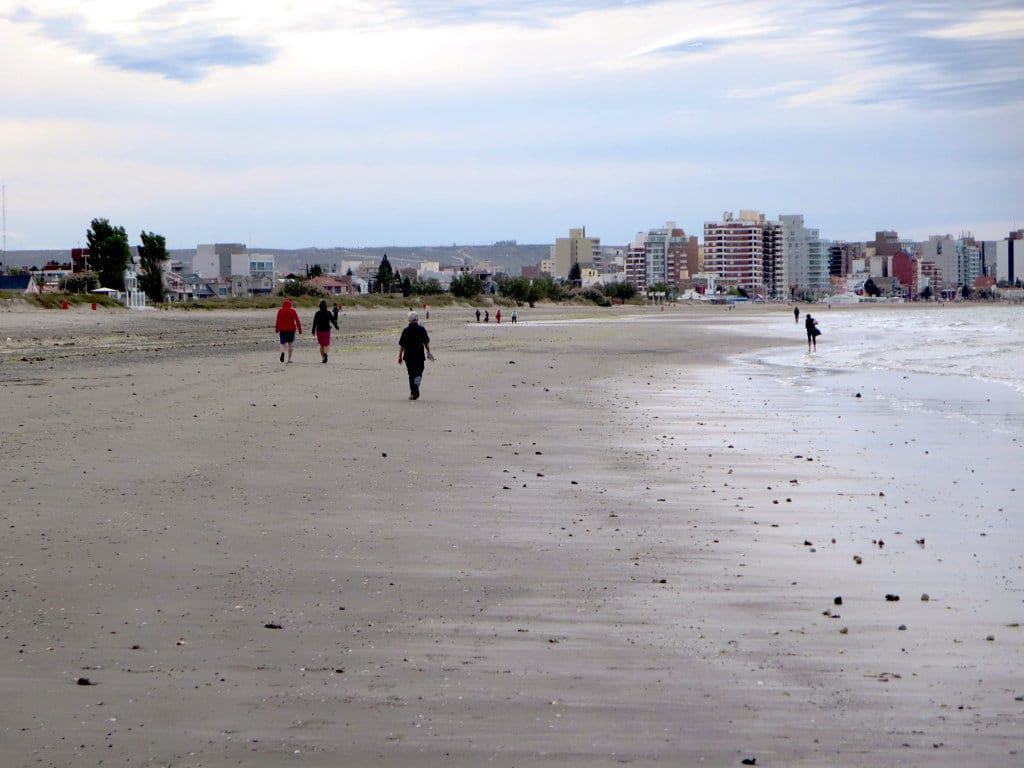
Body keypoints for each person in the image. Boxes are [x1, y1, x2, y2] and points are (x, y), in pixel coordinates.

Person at [398, 312, 433, 400]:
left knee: (411, 374)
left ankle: (413, 393)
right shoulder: (422, 329)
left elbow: (402, 345)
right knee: (419, 371)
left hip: (408, 356)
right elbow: (426, 342)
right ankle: (416, 385)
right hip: (419, 355)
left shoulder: (406, 330)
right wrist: (428, 352)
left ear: (409, 320)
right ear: (417, 319)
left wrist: (400, 356)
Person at [275, 299, 302, 363]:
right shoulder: (293, 311)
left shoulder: (280, 311)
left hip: (282, 330)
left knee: (282, 343)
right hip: (291, 330)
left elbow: (278, 320)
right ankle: (289, 359)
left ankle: (282, 352)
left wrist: (277, 329)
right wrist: (300, 330)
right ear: (290, 305)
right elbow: (297, 321)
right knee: (290, 344)